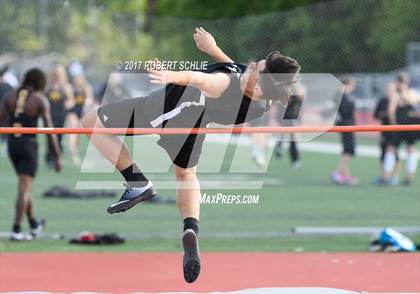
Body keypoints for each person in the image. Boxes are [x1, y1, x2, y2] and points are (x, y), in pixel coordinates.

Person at [81, 27, 300, 283]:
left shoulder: (223, 84)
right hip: (194, 125)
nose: (251, 65)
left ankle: (137, 181)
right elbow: (236, 71)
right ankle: (190, 227)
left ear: (261, 86)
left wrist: (169, 74)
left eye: (257, 68)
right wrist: (213, 49)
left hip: (165, 108)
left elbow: (200, 79)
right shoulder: (263, 100)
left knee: (91, 121)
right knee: (186, 174)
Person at [0, 68, 62, 241]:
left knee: (25, 186)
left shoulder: (10, 95)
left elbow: (0, 117)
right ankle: (16, 229)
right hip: (28, 146)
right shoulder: (39, 99)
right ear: (39, 82)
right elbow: (50, 130)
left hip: (12, 145)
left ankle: (34, 223)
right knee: (23, 189)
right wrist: (56, 156)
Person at [380, 73, 419, 185]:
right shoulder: (412, 94)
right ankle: (409, 176)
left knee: (392, 149)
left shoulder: (397, 95)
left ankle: (386, 176)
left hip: (402, 126)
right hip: (412, 126)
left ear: (398, 82)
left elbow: (391, 111)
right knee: (410, 149)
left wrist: (393, 126)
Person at [331, 77, 359, 185]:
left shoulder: (344, 96)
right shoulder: (342, 96)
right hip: (346, 125)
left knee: (348, 151)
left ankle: (344, 174)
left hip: (348, 125)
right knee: (347, 150)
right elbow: (344, 111)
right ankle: (342, 174)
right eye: (352, 85)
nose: (353, 88)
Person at [45, 64, 74, 166]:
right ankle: (49, 157)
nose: (56, 76)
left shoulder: (66, 87)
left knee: (59, 137)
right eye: (55, 74)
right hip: (49, 115)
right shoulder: (49, 86)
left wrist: (67, 105)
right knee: (49, 136)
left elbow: (71, 100)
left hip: (61, 115)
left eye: (58, 74)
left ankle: (57, 156)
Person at [373, 83, 400, 185]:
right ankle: (384, 175)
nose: (388, 91)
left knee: (394, 152)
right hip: (385, 130)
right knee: (383, 152)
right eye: (387, 89)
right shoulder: (382, 100)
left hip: (395, 130)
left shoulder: (398, 100)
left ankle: (395, 176)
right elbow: (375, 114)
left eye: (391, 89)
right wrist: (383, 114)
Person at [274, 83, 305, 168]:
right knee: (291, 137)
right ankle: (294, 159)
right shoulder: (285, 91)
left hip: (291, 117)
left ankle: (293, 158)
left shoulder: (296, 93)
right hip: (289, 117)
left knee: (291, 138)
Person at [68, 74, 93, 165]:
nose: (77, 81)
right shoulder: (72, 89)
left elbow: (89, 101)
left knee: (88, 134)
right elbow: (70, 101)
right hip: (74, 112)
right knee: (74, 133)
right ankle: (75, 156)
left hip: (83, 113)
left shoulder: (86, 88)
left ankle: (101, 154)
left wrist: (87, 106)